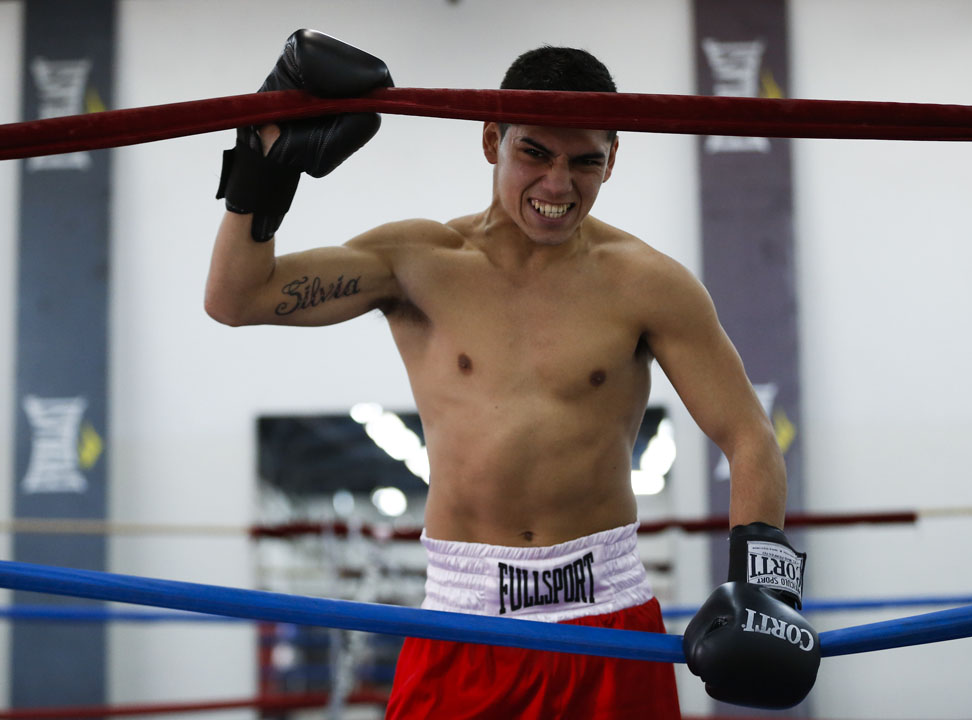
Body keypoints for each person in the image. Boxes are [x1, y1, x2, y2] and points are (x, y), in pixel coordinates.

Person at [207, 29, 818, 719]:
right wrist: (263, 159)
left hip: (607, 616)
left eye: (584, 161)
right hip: (465, 620)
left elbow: (747, 436)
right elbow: (236, 297)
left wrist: (765, 588)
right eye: (535, 152)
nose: (557, 185)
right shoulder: (418, 262)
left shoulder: (650, 284)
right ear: (491, 138)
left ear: (613, 160)